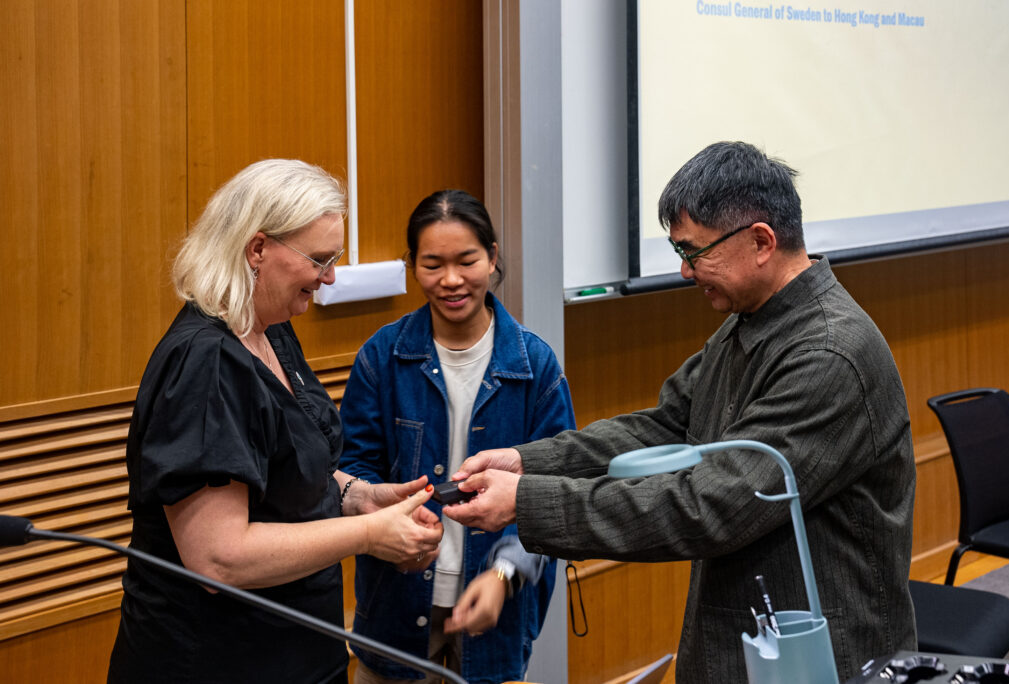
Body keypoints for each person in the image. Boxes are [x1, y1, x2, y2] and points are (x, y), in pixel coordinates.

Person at [445, 142, 917, 682]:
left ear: (761, 241)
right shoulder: (753, 321)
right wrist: (528, 462)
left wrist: (526, 502)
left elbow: (711, 506)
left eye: (694, 251)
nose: (686, 271)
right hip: (745, 641)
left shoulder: (829, 354)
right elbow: (665, 428)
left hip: (821, 657)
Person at [107, 159, 443, 684]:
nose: (329, 277)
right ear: (257, 248)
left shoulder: (271, 330)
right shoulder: (206, 362)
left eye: (335, 260)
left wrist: (357, 495)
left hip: (300, 652)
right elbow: (219, 560)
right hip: (216, 664)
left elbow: (285, 468)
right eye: (320, 259)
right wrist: (367, 534)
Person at [338, 189, 576, 683]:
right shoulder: (381, 356)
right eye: (432, 264)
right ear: (413, 266)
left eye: (467, 261)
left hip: (495, 614)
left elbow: (552, 491)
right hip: (395, 609)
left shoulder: (535, 366)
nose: (450, 280)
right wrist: (388, 527)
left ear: (492, 257)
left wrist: (504, 575)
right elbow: (353, 471)